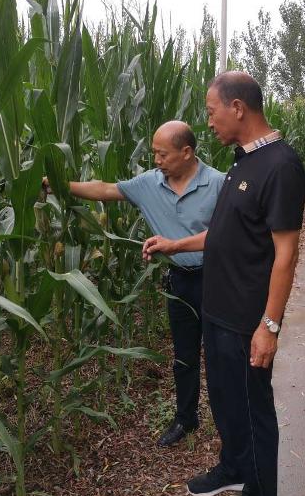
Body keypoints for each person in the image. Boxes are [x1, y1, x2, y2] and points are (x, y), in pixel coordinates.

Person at [143, 72, 305, 496]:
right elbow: (225, 231)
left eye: (212, 112)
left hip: (246, 317)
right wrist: (175, 244)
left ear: (238, 108)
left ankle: (259, 493)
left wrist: (269, 326)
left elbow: (286, 255)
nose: (209, 122)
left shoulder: (281, 166)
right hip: (217, 311)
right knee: (226, 402)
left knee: (254, 412)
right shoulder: (242, 161)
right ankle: (234, 467)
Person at [50, 120, 224, 447]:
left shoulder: (217, 184)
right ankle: (186, 419)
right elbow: (104, 190)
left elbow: (227, 234)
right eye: (154, 153)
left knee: (219, 355)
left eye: (163, 154)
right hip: (180, 282)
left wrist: (175, 245)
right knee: (184, 357)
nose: (156, 160)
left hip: (216, 279)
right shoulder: (149, 184)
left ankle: (227, 423)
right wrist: (57, 184)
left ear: (187, 152)